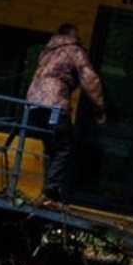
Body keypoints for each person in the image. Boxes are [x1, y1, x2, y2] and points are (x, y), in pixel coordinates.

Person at [26, 23, 106, 209]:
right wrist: (99, 109)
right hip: (54, 105)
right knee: (64, 148)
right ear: (71, 35)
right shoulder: (74, 50)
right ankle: (49, 193)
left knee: (51, 148)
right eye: (76, 36)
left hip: (33, 104)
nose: (78, 39)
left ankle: (49, 193)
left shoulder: (47, 51)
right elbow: (90, 80)